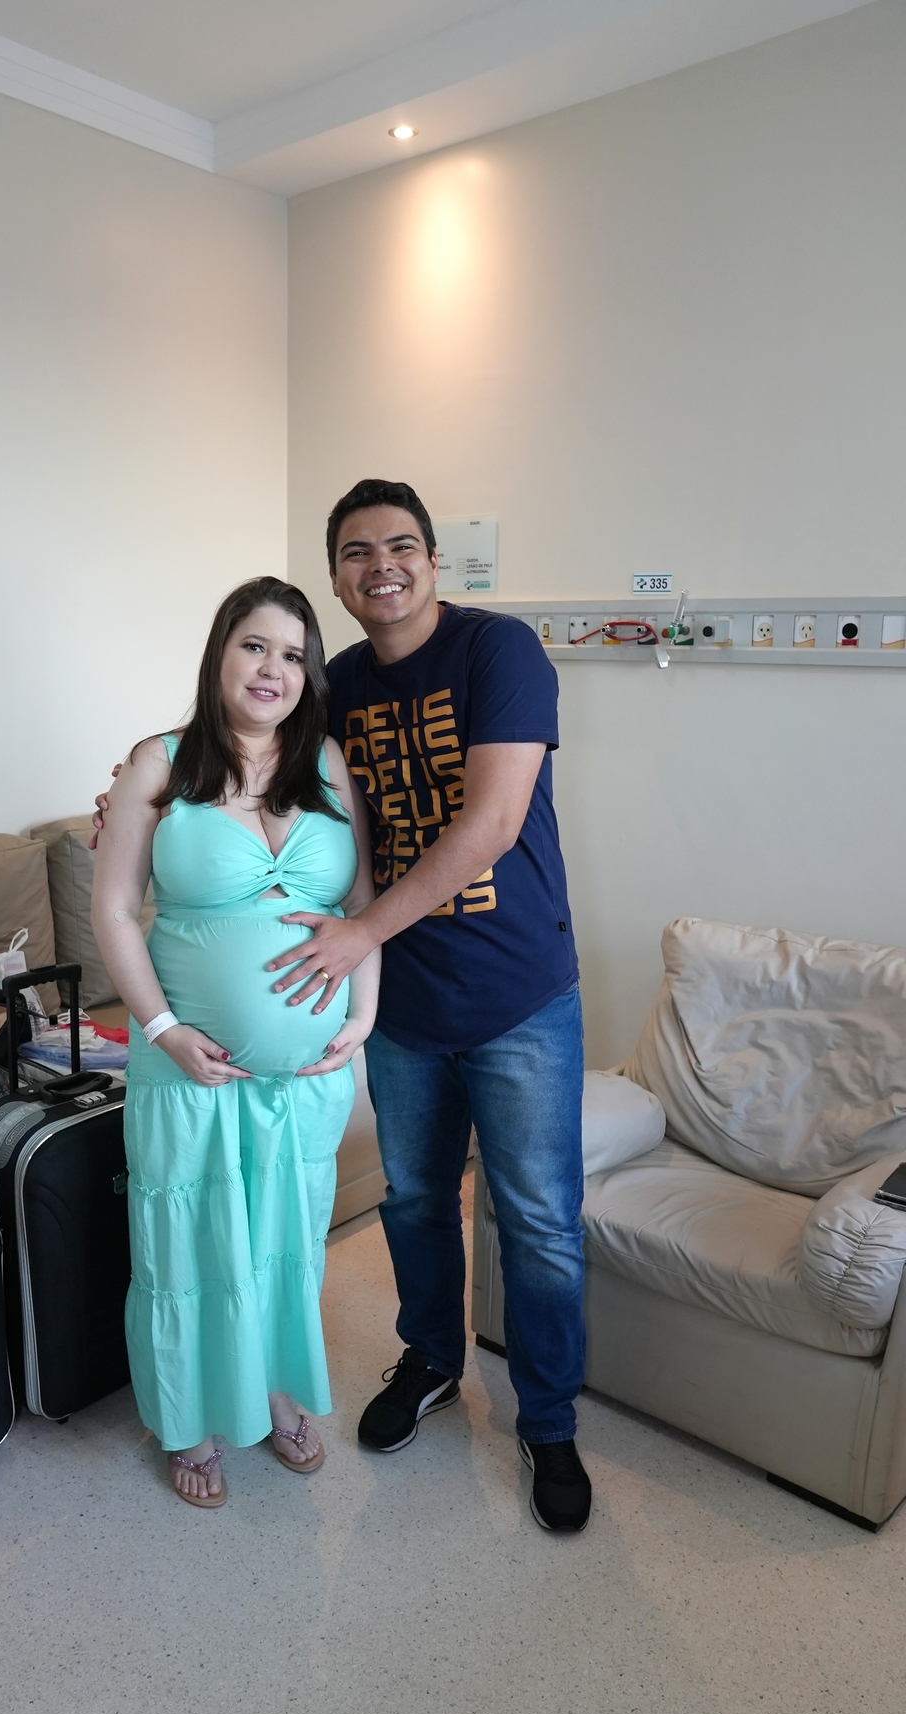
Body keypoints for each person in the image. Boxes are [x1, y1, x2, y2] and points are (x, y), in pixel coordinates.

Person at [262, 480, 590, 1534]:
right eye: (357, 552)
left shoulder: (500, 652)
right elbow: (249, 750)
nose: (382, 566)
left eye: (400, 546)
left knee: (538, 1224)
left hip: (518, 995)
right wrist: (136, 793)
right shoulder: (338, 686)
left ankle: (548, 1420)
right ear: (336, 577)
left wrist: (361, 931)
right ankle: (434, 1360)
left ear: (434, 561)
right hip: (405, 1004)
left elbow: (491, 824)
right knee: (413, 1202)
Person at [90, 576, 379, 1509]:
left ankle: (279, 1392)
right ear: (220, 651)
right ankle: (190, 1420)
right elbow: (114, 911)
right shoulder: (158, 762)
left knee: (286, 1244)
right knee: (189, 1249)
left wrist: (362, 1017)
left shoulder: (326, 762)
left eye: (293, 655)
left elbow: (360, 903)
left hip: (305, 1077)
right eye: (255, 645)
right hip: (191, 1071)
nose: (272, 669)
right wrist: (164, 1029)